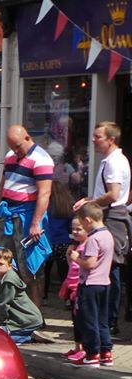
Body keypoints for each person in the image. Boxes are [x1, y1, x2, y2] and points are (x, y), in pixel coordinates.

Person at [73, 121, 131, 333]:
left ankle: (108, 321)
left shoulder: (114, 162)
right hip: (111, 215)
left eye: (98, 137)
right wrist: (90, 200)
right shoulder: (112, 160)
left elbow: (114, 195)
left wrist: (90, 204)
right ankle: (105, 319)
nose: (93, 140)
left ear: (111, 139)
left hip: (112, 218)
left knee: (110, 268)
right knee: (108, 267)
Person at [0, 124, 53, 308]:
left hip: (27, 216)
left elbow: (44, 193)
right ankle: (11, 309)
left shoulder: (41, 159)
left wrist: (36, 223)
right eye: (12, 147)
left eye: (18, 146)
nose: (15, 151)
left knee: (30, 267)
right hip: (8, 215)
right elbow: (4, 182)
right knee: (5, 262)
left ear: (28, 138)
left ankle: (34, 314)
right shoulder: (10, 156)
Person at [68, 203, 115, 366]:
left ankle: (92, 354)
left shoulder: (93, 239)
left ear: (88, 220)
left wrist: (76, 258)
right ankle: (106, 352)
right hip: (104, 283)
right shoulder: (108, 235)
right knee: (102, 320)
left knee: (89, 320)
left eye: (82, 223)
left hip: (90, 284)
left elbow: (90, 264)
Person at [0, 248, 46, 344]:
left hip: (28, 319)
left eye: (1, 264)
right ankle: (28, 334)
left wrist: (0, 324)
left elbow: (4, 304)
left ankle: (30, 338)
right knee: (0, 335)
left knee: (2, 338)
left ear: (9, 266)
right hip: (21, 318)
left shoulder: (9, 281)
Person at [61, 218, 87, 362]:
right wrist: (69, 256)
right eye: (73, 229)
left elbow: (85, 267)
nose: (75, 232)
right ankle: (77, 347)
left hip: (79, 288)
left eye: (79, 229)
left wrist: (76, 258)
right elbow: (72, 267)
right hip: (71, 287)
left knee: (81, 320)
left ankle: (84, 349)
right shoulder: (77, 246)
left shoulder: (87, 246)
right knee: (75, 320)